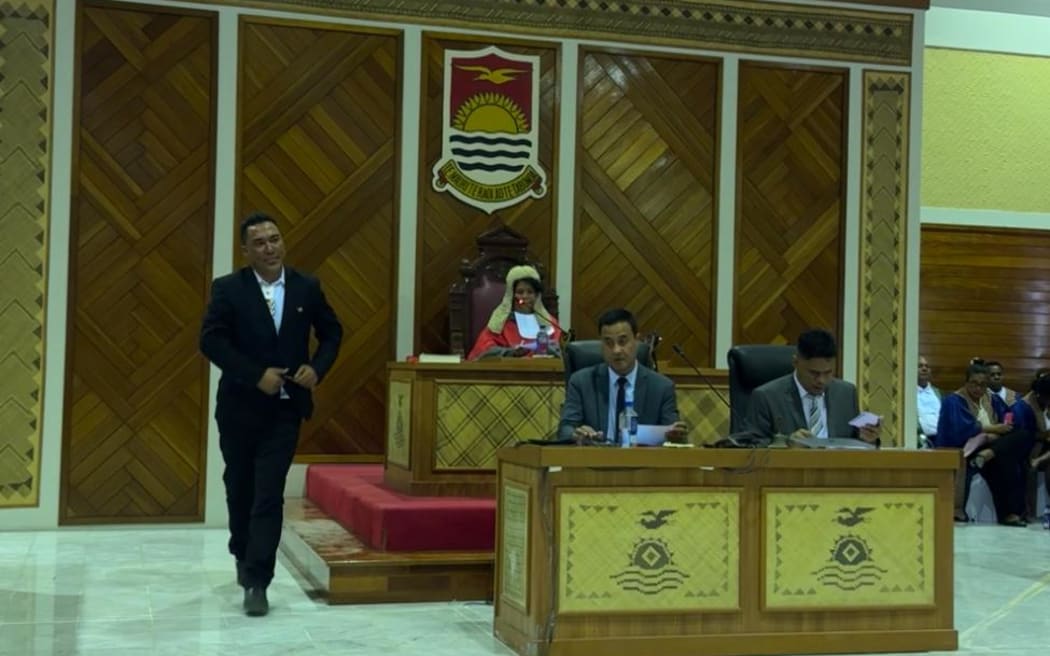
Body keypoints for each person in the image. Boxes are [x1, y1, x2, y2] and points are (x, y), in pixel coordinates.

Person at [200, 212, 343, 616]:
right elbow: (210, 341)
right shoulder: (229, 289)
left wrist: (317, 368)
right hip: (239, 409)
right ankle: (243, 555)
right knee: (240, 488)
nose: (269, 248)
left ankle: (258, 580)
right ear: (246, 251)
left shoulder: (306, 287)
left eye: (275, 239)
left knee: (269, 493)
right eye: (259, 242)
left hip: (286, 411)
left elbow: (332, 333)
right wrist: (253, 375)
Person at [558, 308, 687, 444]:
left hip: (642, 462)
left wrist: (677, 435)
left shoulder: (662, 387)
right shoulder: (581, 382)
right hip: (594, 461)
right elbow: (564, 430)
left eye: (622, 341)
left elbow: (675, 440)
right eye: (608, 343)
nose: (616, 350)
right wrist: (576, 434)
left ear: (636, 341)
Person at [745, 329, 880, 444]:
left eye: (828, 373)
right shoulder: (767, 396)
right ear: (796, 362)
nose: (821, 380)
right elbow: (751, 446)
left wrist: (868, 439)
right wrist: (786, 445)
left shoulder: (846, 393)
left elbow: (854, 443)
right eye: (814, 373)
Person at [935, 360, 1024, 526]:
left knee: (1018, 442)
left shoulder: (990, 398)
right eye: (974, 384)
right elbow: (959, 430)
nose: (978, 389)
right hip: (965, 448)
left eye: (983, 385)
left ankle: (1009, 514)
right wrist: (994, 430)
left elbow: (1008, 417)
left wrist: (1003, 427)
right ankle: (990, 454)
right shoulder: (954, 401)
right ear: (966, 382)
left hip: (988, 449)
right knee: (1003, 457)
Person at [467, 265, 562, 360]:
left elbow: (558, 352)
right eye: (520, 292)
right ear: (511, 295)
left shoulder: (549, 323)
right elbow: (484, 350)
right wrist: (511, 353)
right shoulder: (499, 323)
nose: (525, 296)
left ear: (537, 295)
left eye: (530, 292)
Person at [917, 356, 941, 448]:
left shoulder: (937, 392)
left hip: (941, 439)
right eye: (920, 366)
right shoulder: (907, 393)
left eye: (927, 366)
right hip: (920, 441)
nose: (924, 368)